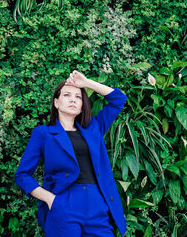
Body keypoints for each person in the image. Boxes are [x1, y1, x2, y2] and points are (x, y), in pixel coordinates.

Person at [14, 70, 127, 236]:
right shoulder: (43, 133)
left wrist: (86, 83)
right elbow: (22, 175)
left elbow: (118, 99)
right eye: (67, 95)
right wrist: (51, 200)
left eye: (78, 97)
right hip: (64, 203)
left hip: (97, 204)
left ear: (82, 106)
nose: (73, 99)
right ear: (56, 103)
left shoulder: (94, 128)